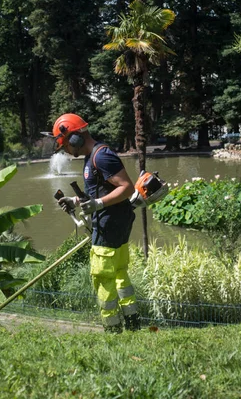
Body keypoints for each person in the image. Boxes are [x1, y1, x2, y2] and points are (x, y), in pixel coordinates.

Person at [51, 113, 141, 333]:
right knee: (119, 272)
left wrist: (99, 204)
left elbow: (127, 187)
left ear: (75, 138)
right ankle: (132, 321)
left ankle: (112, 328)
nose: (66, 152)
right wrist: (75, 201)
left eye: (66, 146)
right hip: (113, 221)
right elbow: (99, 192)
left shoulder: (101, 156)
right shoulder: (90, 158)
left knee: (102, 276)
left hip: (109, 224)